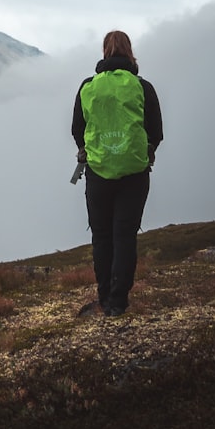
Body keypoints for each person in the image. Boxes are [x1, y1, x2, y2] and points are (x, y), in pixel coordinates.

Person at [71, 30, 163, 316]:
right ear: (130, 52)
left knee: (101, 236)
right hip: (134, 174)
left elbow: (77, 129)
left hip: (98, 173)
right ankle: (119, 302)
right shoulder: (142, 86)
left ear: (104, 52)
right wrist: (141, 153)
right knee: (125, 235)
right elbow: (157, 131)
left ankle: (104, 297)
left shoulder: (88, 86)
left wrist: (95, 152)